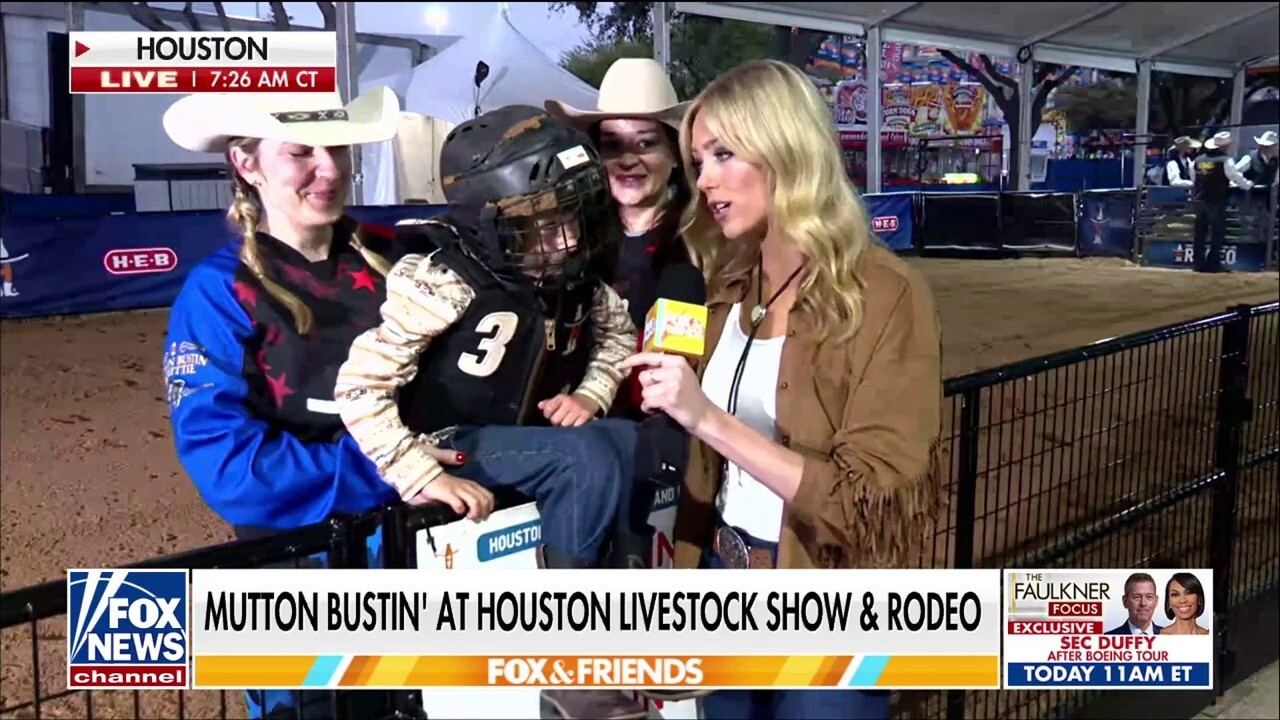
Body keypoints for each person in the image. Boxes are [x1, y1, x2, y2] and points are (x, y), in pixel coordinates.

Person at [619, 59, 945, 719]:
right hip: (722, 582)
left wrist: (707, 418)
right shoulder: (724, 288)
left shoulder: (884, 295)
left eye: (723, 154)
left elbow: (867, 503)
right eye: (698, 161)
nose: (704, 179)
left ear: (785, 150)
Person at [332, 104, 650, 720]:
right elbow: (359, 386)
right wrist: (419, 472)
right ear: (490, 222)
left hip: (522, 437)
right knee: (585, 456)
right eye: (539, 226)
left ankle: (629, 630)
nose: (564, 240)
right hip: (452, 440)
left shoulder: (574, 276)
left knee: (626, 440)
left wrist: (592, 393)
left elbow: (617, 335)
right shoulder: (443, 280)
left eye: (569, 219)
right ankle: (574, 663)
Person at [160, 87, 416, 719]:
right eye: (302, 152)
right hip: (295, 570)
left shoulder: (404, 262)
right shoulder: (220, 292)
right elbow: (230, 468)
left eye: (338, 150)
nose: (329, 169)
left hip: (419, 554)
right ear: (247, 164)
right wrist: (397, 468)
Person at [545, 57, 694, 570]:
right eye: (612, 145)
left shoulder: (704, 243)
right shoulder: (566, 239)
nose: (628, 159)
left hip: (664, 454)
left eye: (646, 143)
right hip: (573, 444)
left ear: (674, 154)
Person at [1190, 131, 1255, 273]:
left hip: (1199, 199)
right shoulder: (1225, 160)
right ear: (1224, 146)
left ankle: (1198, 263)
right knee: (1217, 232)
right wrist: (1247, 185)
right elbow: (1235, 176)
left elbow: (1194, 179)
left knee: (1200, 233)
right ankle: (1213, 263)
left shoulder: (1198, 160)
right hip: (1216, 200)